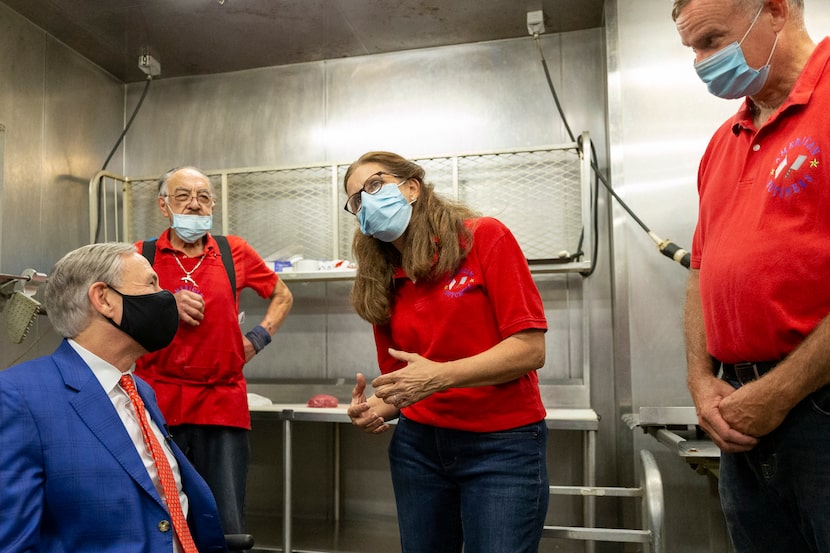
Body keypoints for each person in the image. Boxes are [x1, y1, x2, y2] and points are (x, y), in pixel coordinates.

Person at [674, 0, 830, 550]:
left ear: (776, 10)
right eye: (692, 48)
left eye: (712, 41)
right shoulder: (724, 141)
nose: (701, 62)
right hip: (739, 408)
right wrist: (700, 380)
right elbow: (701, 268)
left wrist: (782, 390)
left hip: (818, 404)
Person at [342, 151, 549, 553]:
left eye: (374, 185)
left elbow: (530, 349)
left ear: (412, 187)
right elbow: (404, 383)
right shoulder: (381, 275)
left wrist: (439, 376)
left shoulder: (482, 238)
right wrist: (377, 407)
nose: (366, 202)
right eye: (355, 200)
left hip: (501, 445)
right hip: (419, 449)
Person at [0, 242, 229, 552]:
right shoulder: (17, 396)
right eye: (152, 283)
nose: (166, 297)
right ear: (104, 299)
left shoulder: (139, 390)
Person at [134, 166, 293, 534]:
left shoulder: (233, 251)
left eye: (203, 197)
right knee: (158, 517)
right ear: (163, 205)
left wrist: (257, 339)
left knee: (222, 523)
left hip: (221, 406)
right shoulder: (140, 256)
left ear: (213, 205)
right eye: (183, 196)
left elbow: (282, 295)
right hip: (157, 405)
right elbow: (115, 310)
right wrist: (165, 303)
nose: (194, 204)